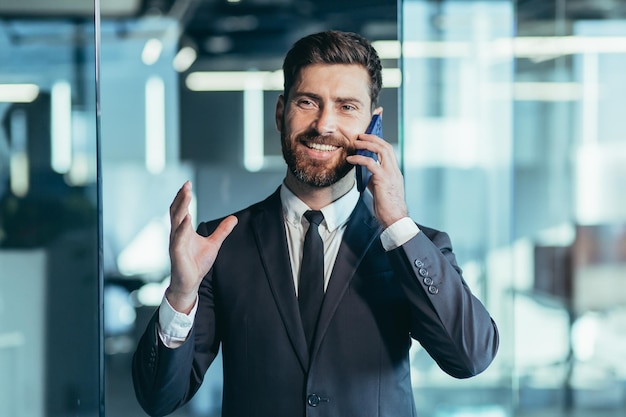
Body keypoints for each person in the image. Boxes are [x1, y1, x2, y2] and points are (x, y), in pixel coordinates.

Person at [132, 30, 499, 417]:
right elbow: (159, 398)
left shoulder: (412, 244)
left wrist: (398, 224)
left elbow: (470, 357)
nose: (324, 124)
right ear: (280, 113)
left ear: (373, 126)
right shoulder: (218, 244)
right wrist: (181, 295)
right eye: (308, 102)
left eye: (346, 107)